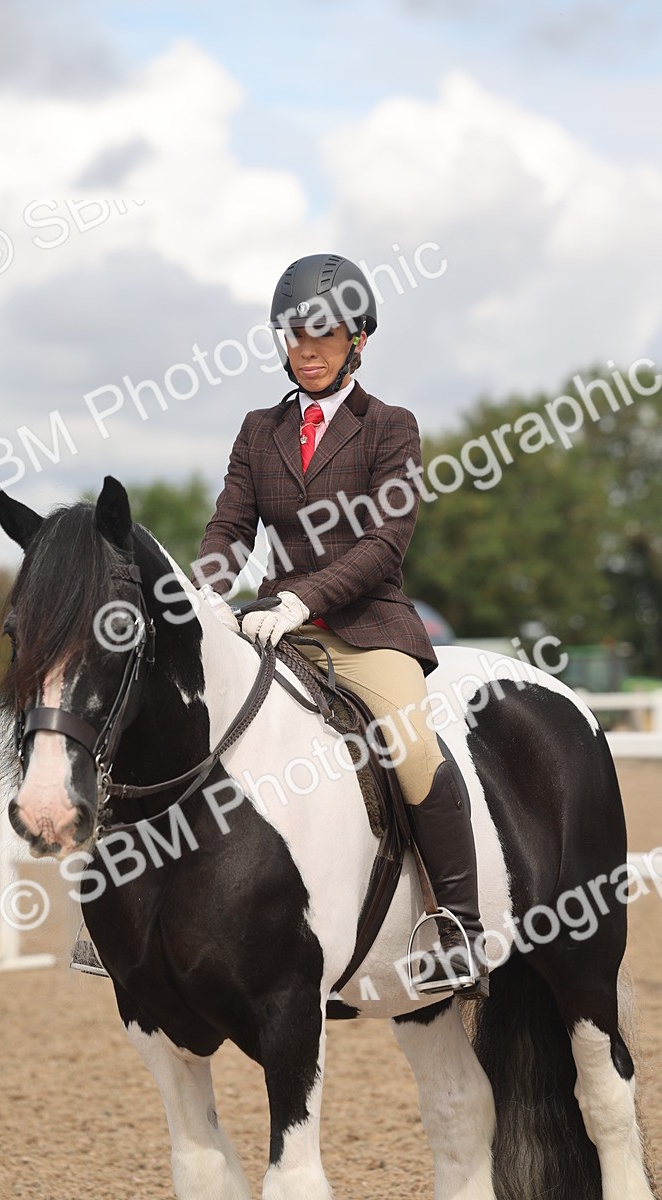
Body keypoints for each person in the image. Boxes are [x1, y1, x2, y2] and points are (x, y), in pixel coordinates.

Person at [193, 253, 487, 997]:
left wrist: (304, 597)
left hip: (367, 628)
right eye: (295, 335)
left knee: (412, 749)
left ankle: (459, 926)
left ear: (360, 339)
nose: (308, 350)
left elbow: (384, 541)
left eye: (324, 335)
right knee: (176, 718)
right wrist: (208, 591)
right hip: (273, 628)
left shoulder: (391, 427)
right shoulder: (259, 430)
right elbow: (230, 526)